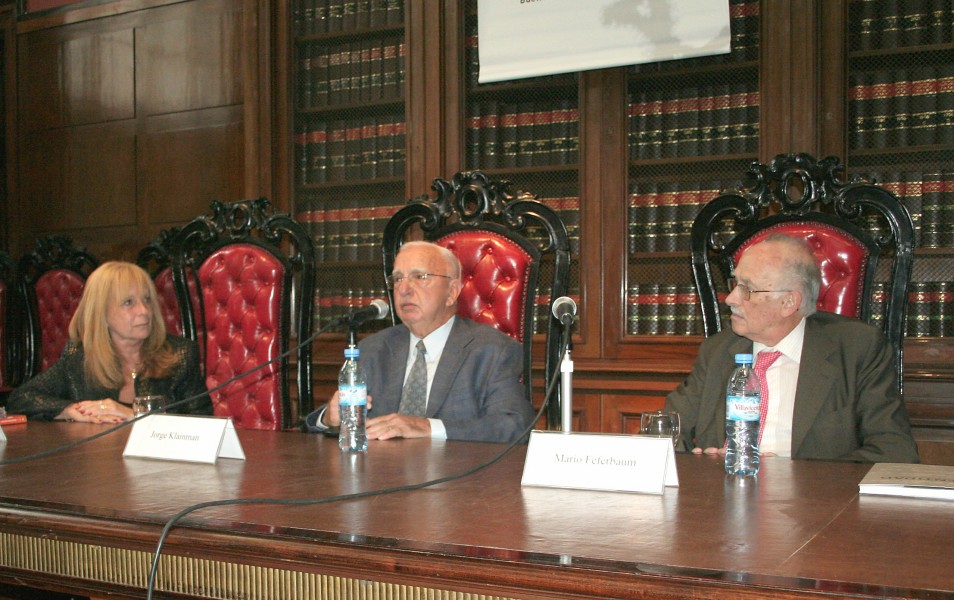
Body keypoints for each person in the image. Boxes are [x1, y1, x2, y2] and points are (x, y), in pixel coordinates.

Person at [665, 233, 919, 463]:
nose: (731, 299)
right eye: (734, 285)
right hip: (723, 504)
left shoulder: (858, 349)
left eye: (747, 289)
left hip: (816, 507)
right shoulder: (718, 350)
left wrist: (791, 474)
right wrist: (698, 465)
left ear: (788, 302)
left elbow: (895, 451)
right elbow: (667, 430)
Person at [306, 241, 534, 443]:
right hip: (378, 479)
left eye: (420, 277)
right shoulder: (373, 349)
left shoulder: (493, 351)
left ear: (452, 292)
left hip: (456, 483)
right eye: (397, 279)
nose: (404, 289)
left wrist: (427, 427)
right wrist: (329, 417)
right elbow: (318, 424)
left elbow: (513, 426)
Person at [8, 261, 211, 422]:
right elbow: (20, 399)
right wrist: (70, 410)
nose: (144, 311)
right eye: (128, 303)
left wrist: (131, 415)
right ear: (101, 313)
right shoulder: (79, 357)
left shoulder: (180, 354)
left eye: (147, 300)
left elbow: (204, 424)